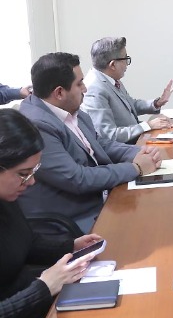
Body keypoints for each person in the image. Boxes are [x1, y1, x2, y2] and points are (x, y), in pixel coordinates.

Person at [18, 52, 162, 233]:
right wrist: (136, 168)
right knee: (149, 230)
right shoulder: (36, 126)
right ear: (59, 92)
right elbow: (76, 178)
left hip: (98, 199)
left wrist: (139, 153)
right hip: (72, 219)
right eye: (79, 83)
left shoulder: (70, 110)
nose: (85, 89)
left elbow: (99, 143)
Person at [0, 108, 102, 318]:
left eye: (33, 172)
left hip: (32, 293)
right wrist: (45, 287)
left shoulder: (6, 198)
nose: (31, 182)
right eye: (23, 174)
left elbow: (24, 242)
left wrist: (71, 246)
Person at [81, 37, 173, 144]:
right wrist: (147, 125)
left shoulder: (110, 78)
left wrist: (157, 103)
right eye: (125, 58)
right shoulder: (94, 89)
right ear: (112, 65)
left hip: (135, 139)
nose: (127, 63)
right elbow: (109, 136)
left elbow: (130, 105)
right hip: (124, 148)